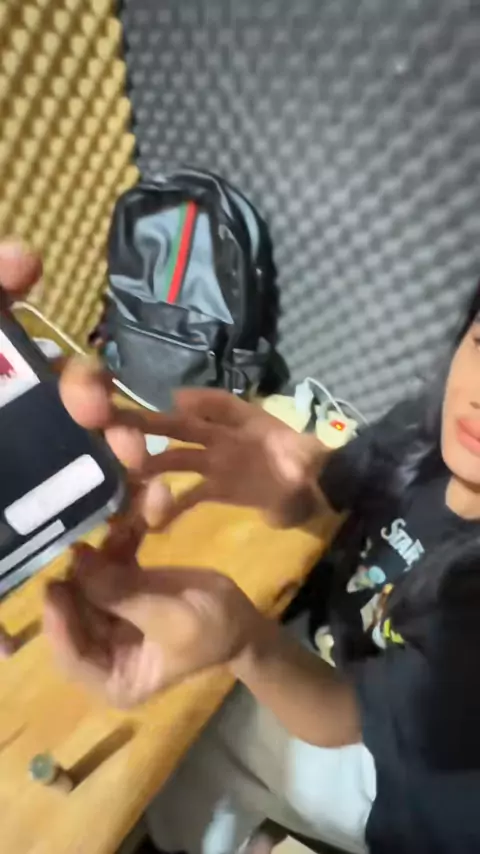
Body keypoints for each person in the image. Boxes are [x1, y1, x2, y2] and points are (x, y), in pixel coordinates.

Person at [4, 241, 480, 853]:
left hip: (402, 794)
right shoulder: (423, 429)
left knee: (189, 740)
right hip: (343, 659)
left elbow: (343, 716)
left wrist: (244, 643)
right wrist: (292, 492)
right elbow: (332, 499)